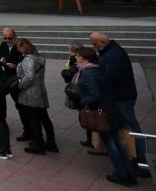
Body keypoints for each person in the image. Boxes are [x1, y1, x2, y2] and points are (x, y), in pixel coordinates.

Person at [75, 46, 137, 186]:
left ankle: (121, 174)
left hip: (102, 113)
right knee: (117, 142)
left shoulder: (87, 73)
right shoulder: (99, 69)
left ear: (85, 58)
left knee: (111, 144)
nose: (76, 57)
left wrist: (83, 101)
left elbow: (95, 95)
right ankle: (129, 173)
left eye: (78, 56)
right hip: (111, 109)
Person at [91, 31, 148, 175]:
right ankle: (135, 158)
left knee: (131, 127)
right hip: (123, 95)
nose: (94, 47)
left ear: (102, 42)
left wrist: (98, 82)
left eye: (95, 44)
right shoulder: (114, 51)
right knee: (127, 127)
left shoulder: (112, 56)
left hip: (121, 97)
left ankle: (142, 161)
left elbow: (110, 78)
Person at [14, 37, 57, 154]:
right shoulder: (39, 57)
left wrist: (20, 85)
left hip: (30, 93)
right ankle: (51, 143)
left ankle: (38, 144)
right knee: (44, 117)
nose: (17, 49)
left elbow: (29, 77)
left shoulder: (28, 59)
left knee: (33, 119)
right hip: (40, 90)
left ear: (23, 47)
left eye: (18, 47)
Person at [0, 27, 29, 140]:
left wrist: (14, 66)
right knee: (0, 97)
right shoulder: (3, 45)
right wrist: (2, 61)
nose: (7, 40)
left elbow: (25, 64)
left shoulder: (21, 46)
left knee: (20, 105)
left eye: (9, 38)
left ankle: (27, 130)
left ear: (15, 36)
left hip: (17, 79)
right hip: (6, 77)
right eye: (5, 38)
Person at [61, 41, 94, 149]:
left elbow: (70, 73)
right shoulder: (87, 66)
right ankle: (92, 140)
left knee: (89, 118)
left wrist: (64, 72)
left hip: (87, 98)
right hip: (87, 97)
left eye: (78, 56)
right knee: (88, 117)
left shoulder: (85, 68)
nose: (76, 58)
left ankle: (94, 141)